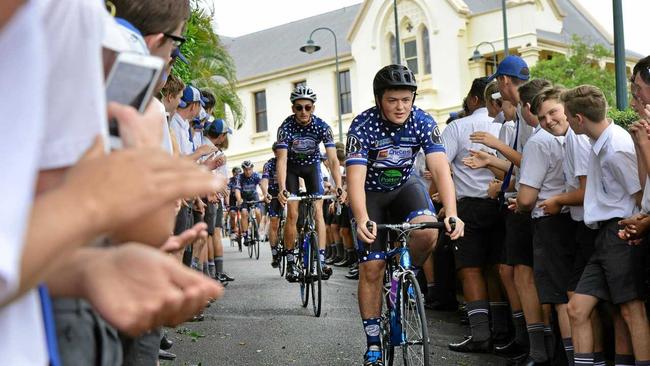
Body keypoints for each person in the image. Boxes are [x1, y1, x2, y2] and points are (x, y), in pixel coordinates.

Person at [346, 64, 464, 365]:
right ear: (379, 100)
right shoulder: (362, 126)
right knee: (371, 269)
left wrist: (451, 212)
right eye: (392, 100)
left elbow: (440, 168)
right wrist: (361, 218)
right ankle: (373, 339)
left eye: (406, 99)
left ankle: (403, 273)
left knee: (427, 231)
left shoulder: (423, 121)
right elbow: (356, 179)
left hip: (404, 187)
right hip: (370, 195)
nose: (400, 107)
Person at [564, 84, 649, 365]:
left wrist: (638, 224)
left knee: (630, 309)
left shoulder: (615, 147)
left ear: (578, 119)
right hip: (602, 234)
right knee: (577, 308)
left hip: (619, 232)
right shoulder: (599, 142)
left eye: (566, 115)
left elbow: (639, 194)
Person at [444, 77, 509, 353]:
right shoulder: (505, 124)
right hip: (501, 202)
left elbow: (440, 165)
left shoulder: (458, 126)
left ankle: (481, 334)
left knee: (470, 269)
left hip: (468, 206)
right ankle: (504, 331)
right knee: (495, 267)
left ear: (473, 99)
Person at [276, 85, 346, 282]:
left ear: (313, 108)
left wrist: (339, 185)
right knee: (293, 213)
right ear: (293, 109)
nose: (303, 112)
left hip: (312, 167)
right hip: (292, 168)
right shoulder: (285, 128)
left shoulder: (322, 127)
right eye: (299, 108)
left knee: (318, 213)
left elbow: (333, 160)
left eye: (308, 107)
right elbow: (281, 160)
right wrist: (282, 188)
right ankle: (290, 261)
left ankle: (321, 261)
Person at [261, 143, 283, 268]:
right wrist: (265, 193)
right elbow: (264, 180)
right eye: (278, 152)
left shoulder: (290, 161)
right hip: (274, 193)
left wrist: (302, 187)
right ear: (274, 153)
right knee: (274, 223)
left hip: (288, 191)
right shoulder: (269, 164)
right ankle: (274, 253)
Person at [236, 160, 263, 246]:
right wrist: (239, 199)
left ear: (252, 169)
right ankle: (246, 234)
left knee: (258, 212)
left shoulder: (256, 175)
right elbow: (237, 190)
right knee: (244, 213)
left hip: (254, 196)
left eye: (249, 169)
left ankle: (257, 230)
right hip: (244, 197)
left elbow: (262, 185)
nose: (248, 171)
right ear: (243, 170)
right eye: (246, 170)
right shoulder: (240, 177)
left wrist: (265, 195)